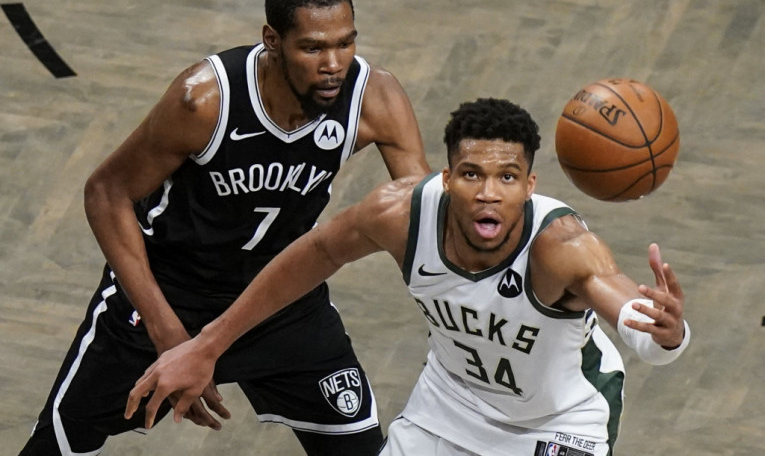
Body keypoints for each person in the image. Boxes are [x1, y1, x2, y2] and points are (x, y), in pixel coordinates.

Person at [125, 97, 690, 455]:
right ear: (446, 179)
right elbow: (316, 253)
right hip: (448, 408)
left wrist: (663, 333)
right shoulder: (398, 215)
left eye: (507, 178)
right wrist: (207, 345)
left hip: (557, 421)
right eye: (472, 174)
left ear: (530, 185)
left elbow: (622, 301)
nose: (488, 193)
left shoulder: (560, 246)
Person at [19, 0, 430, 456]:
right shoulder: (204, 101)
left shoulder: (374, 98)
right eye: (313, 48)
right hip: (173, 294)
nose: (334, 64)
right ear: (272, 41)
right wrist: (167, 331)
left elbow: (423, 215)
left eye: (346, 43)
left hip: (280, 297)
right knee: (54, 447)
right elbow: (106, 195)